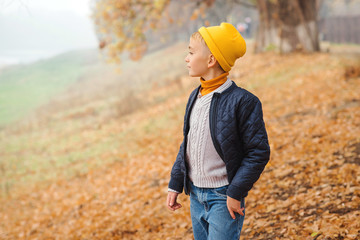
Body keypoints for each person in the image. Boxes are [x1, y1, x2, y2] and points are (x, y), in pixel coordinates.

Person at [166, 22, 270, 240]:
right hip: (195, 195)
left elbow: (258, 152)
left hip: (223, 197)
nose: (186, 58)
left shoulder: (243, 102)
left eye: (191, 52)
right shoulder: (195, 96)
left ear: (211, 60)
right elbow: (188, 143)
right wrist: (176, 183)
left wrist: (235, 193)